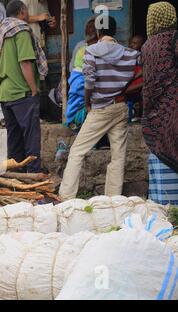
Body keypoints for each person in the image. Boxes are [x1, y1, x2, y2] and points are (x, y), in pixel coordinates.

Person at [59, 15, 139, 201]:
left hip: (100, 109)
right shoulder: (130, 54)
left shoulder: (91, 51)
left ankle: (66, 196)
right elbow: (141, 73)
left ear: (98, 32)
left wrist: (87, 103)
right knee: (118, 155)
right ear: (114, 31)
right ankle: (113, 200)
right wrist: (124, 90)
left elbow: (89, 81)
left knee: (77, 151)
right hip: (120, 107)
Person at [0, 0, 48, 173]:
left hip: (5, 92)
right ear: (22, 12)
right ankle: (33, 176)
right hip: (21, 92)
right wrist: (33, 89)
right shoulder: (22, 31)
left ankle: (15, 178)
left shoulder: (3, 30)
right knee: (31, 138)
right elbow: (25, 62)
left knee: (15, 139)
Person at [141, 1, 178, 205]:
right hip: (174, 116)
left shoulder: (147, 46)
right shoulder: (174, 39)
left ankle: (164, 214)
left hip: (155, 120)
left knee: (160, 163)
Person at [126, 35, 146, 122]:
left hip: (139, 83)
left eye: (135, 43)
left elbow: (143, 70)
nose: (131, 45)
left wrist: (134, 79)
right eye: (131, 42)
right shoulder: (127, 55)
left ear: (142, 46)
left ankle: (140, 115)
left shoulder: (143, 56)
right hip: (132, 81)